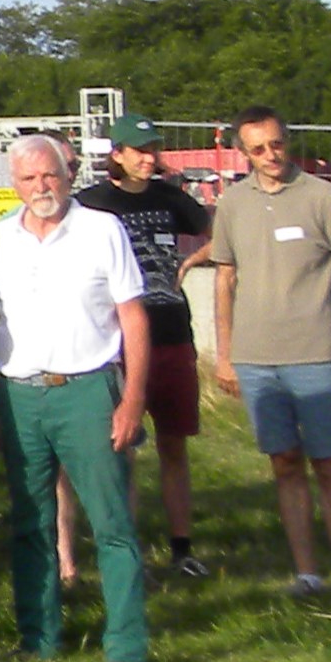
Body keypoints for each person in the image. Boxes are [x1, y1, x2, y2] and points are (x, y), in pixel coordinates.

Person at [0, 133, 153, 662]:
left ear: (67, 176)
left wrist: (131, 400)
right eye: (29, 179)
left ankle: (126, 648)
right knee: (30, 523)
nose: (41, 188)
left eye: (49, 176)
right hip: (20, 393)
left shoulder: (101, 229)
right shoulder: (2, 235)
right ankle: (38, 638)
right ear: (14, 184)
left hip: (87, 390)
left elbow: (133, 318)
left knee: (112, 523)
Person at [207, 105, 331, 611]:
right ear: (243, 153)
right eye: (258, 149)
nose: (270, 156)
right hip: (256, 361)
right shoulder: (233, 204)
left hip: (314, 357)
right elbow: (224, 279)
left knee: (328, 464)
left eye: (277, 145)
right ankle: (306, 572)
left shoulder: (322, 197)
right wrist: (225, 355)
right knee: (284, 464)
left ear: (289, 141)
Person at [70, 113, 215, 582]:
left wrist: (190, 262)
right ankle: (128, 554)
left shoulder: (172, 197)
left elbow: (216, 233)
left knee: (175, 447)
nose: (148, 158)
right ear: (117, 154)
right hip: (118, 343)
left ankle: (181, 549)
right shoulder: (92, 203)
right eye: (138, 151)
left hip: (172, 331)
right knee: (123, 450)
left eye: (153, 149)